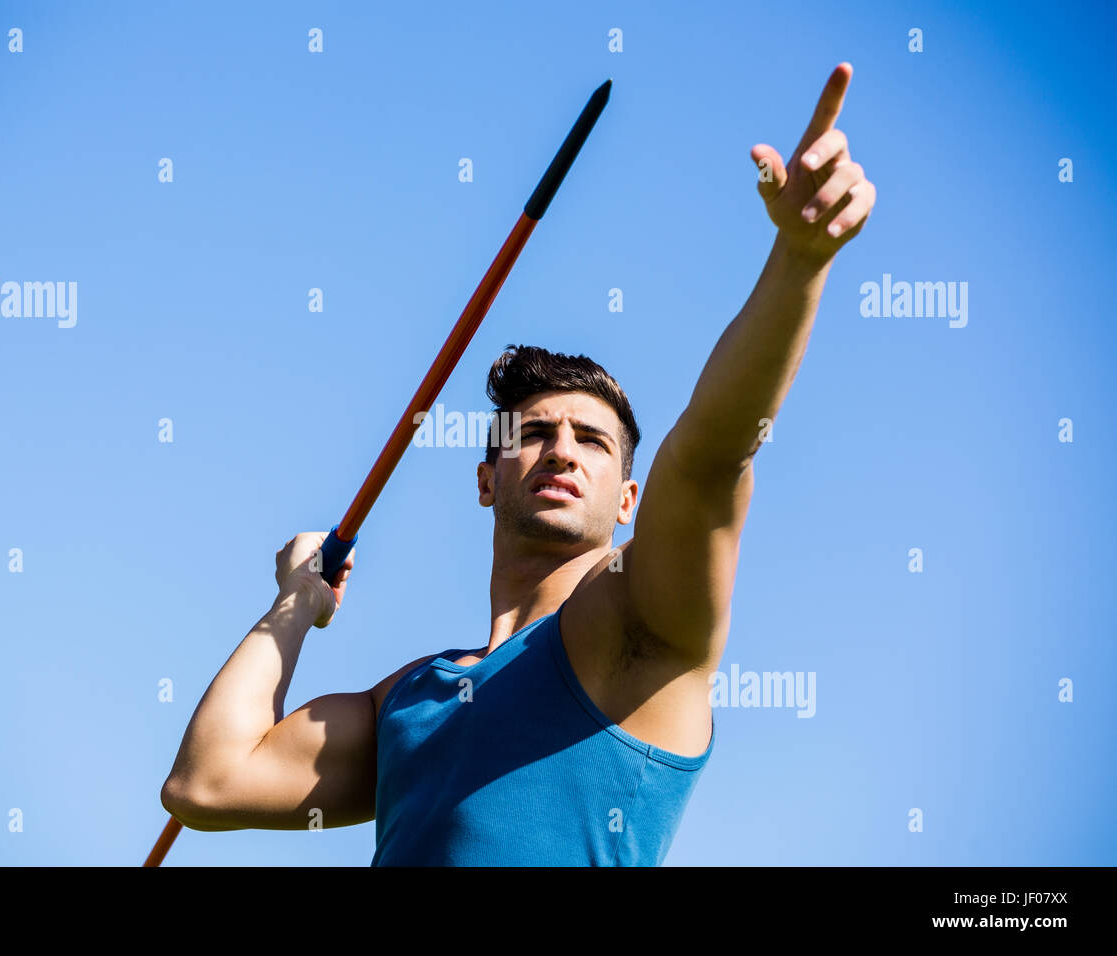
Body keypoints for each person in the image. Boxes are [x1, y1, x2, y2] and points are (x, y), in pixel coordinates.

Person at [160, 62, 876, 865]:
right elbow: (207, 783)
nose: (563, 448)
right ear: (485, 478)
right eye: (534, 433)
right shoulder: (412, 696)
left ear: (630, 495)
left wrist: (800, 260)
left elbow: (712, 455)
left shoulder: (637, 621)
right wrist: (295, 603)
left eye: (593, 440)